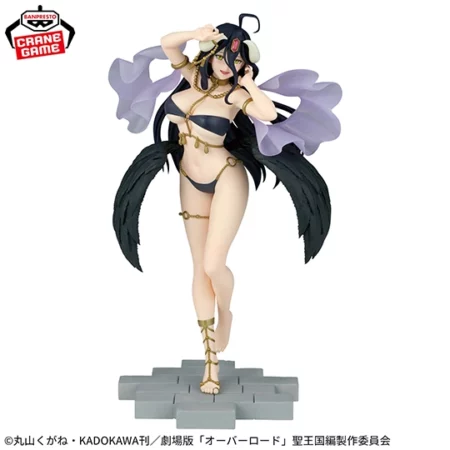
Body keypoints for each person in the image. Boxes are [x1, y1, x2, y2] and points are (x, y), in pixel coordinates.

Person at [109, 14, 342, 395]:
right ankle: (210, 363)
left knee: (213, 264)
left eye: (235, 61)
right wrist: (195, 34)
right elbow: (168, 44)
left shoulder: (234, 95)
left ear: (243, 64)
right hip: (189, 180)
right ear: (211, 52)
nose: (225, 65)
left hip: (226, 176)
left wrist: (248, 83)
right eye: (221, 56)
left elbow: (267, 114)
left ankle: (226, 312)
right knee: (198, 269)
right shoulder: (191, 77)